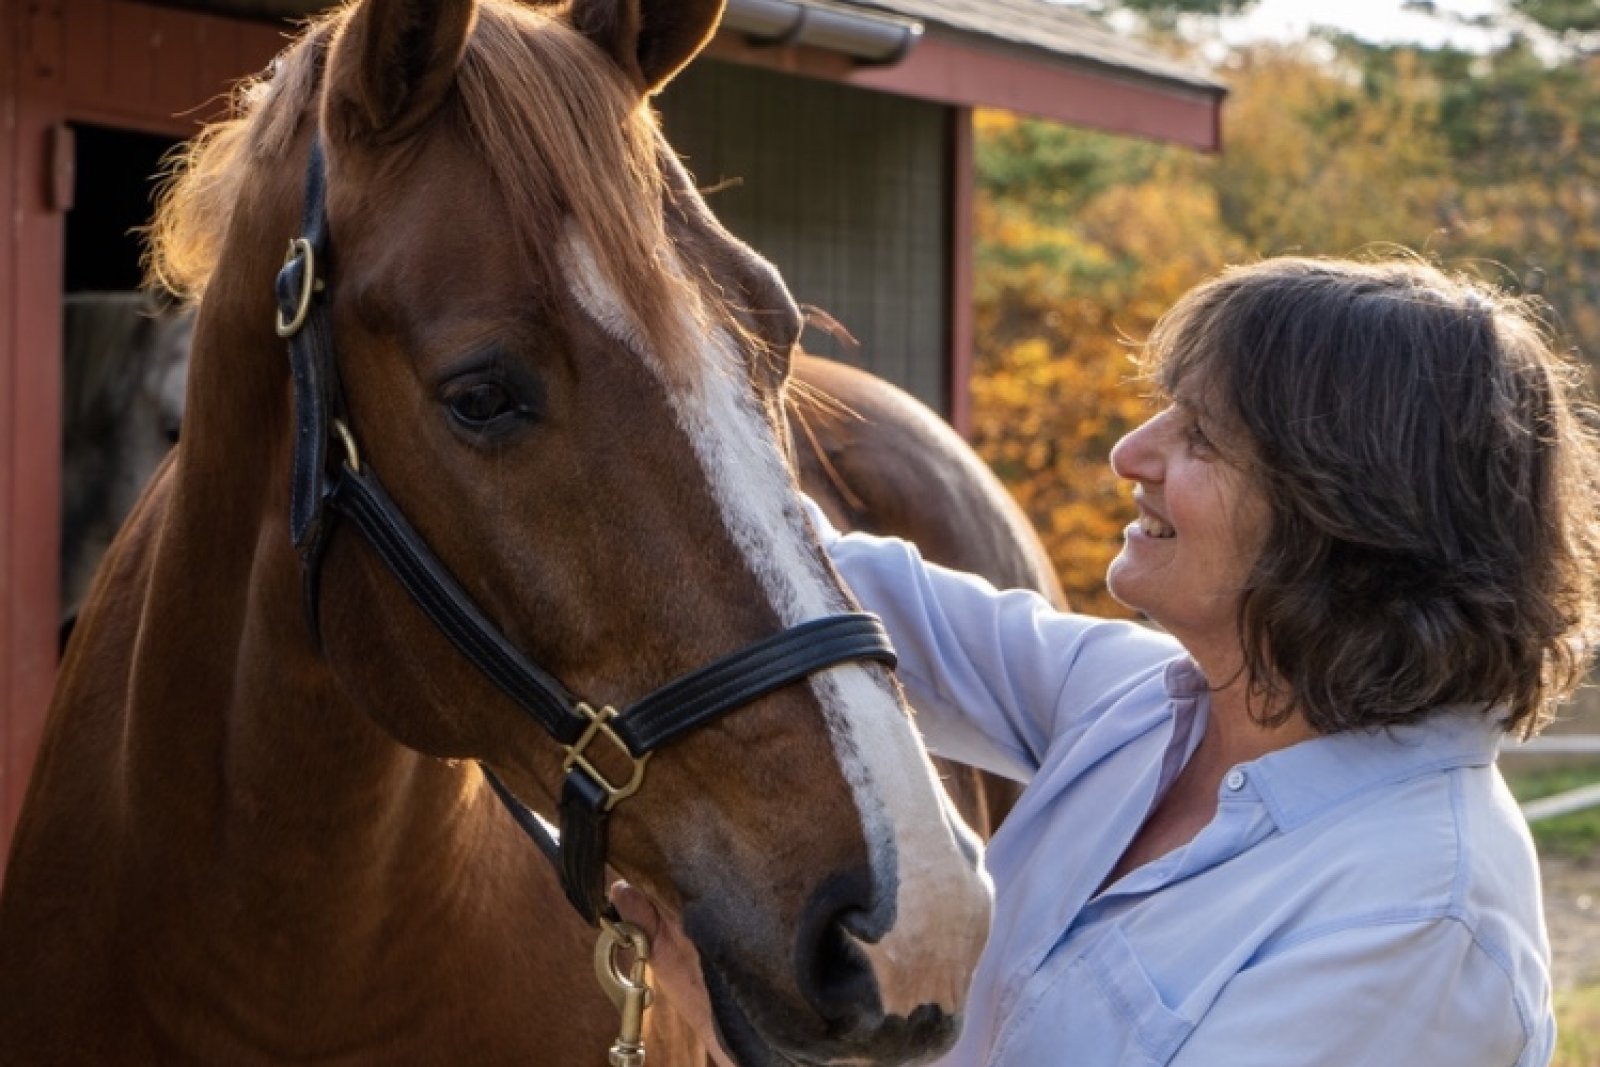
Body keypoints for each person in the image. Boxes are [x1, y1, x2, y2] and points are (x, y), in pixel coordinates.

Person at [615, 255, 1600, 1065]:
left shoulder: (1420, 918)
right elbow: (856, 592)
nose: (1132, 452)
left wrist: (764, 1040)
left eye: (1201, 437)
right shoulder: (1148, 702)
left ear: (1347, 511)